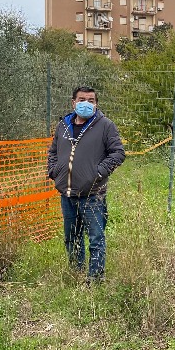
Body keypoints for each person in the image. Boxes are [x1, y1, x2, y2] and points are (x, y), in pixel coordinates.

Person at [47, 86, 125, 283]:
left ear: (96, 104)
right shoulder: (63, 126)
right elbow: (53, 152)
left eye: (91, 100)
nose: (86, 103)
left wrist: (98, 173)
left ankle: (95, 279)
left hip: (93, 194)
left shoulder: (105, 125)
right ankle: (76, 273)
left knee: (96, 239)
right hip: (67, 193)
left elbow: (118, 153)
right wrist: (54, 171)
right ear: (73, 102)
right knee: (72, 238)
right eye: (82, 99)